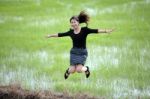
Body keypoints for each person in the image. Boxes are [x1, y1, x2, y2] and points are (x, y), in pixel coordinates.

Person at [46, 11, 114, 79]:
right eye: (71, 22)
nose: (73, 24)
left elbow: (95, 31)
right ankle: (68, 71)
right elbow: (60, 34)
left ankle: (86, 69)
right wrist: (50, 35)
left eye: (74, 22)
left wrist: (106, 31)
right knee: (72, 70)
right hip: (74, 52)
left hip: (82, 52)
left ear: (78, 23)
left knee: (78, 70)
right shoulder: (71, 32)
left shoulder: (85, 30)